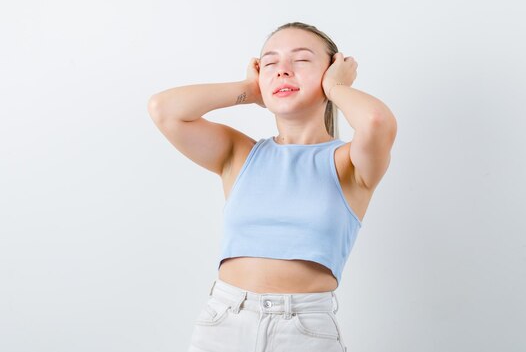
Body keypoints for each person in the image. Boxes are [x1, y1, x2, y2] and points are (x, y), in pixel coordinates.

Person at [147, 21, 397, 352]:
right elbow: (164, 110)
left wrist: (336, 87)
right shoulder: (240, 154)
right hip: (224, 320)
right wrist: (251, 89)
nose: (282, 71)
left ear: (330, 71)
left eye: (302, 60)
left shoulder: (347, 162)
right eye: (270, 63)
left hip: (304, 329)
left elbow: (375, 121)